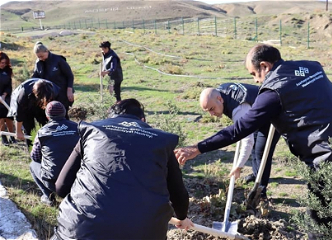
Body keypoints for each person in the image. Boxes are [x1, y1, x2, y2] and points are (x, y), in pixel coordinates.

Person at [174, 44, 332, 239]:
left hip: (325, 159)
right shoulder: (312, 67)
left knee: (320, 220)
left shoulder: (273, 93)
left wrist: (198, 148)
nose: (256, 80)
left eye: (253, 74)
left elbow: (239, 129)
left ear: (265, 66)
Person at [52, 98, 193, 239]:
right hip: (143, 232)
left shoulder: (93, 130)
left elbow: (61, 187)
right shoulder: (161, 140)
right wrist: (182, 217)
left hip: (79, 230)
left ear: (110, 118)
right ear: (142, 120)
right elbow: (178, 194)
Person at [199, 83, 280, 204]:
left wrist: (238, 167)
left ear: (220, 99)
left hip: (272, 116)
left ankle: (261, 192)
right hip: (256, 112)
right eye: (208, 111)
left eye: (212, 109)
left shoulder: (238, 108)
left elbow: (247, 140)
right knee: (254, 149)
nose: (211, 114)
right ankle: (256, 173)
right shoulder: (220, 94)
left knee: (261, 153)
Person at [30, 101, 79, 206]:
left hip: (53, 183)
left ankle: (49, 197)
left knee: (32, 165)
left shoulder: (42, 132)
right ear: (65, 113)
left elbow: (35, 157)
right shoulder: (78, 128)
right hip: (78, 179)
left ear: (47, 116)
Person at [8, 78, 66, 142]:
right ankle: (32, 149)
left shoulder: (57, 93)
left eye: (48, 100)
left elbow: (61, 115)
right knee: (29, 128)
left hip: (45, 107)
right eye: (44, 100)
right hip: (27, 105)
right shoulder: (23, 95)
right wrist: (18, 131)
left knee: (49, 127)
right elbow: (19, 114)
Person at [32, 41, 74, 112]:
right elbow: (35, 77)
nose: (40, 58)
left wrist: (69, 90)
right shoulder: (38, 63)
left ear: (47, 51)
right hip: (48, 94)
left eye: (42, 56)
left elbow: (70, 75)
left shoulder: (58, 60)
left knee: (62, 114)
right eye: (38, 57)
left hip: (61, 92)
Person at [0, 52, 16, 145]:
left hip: (6, 98)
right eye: (2, 62)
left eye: (5, 63)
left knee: (9, 117)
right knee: (1, 118)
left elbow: (9, 86)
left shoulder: (7, 71)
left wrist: (4, 95)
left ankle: (12, 136)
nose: (3, 65)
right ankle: (3, 137)